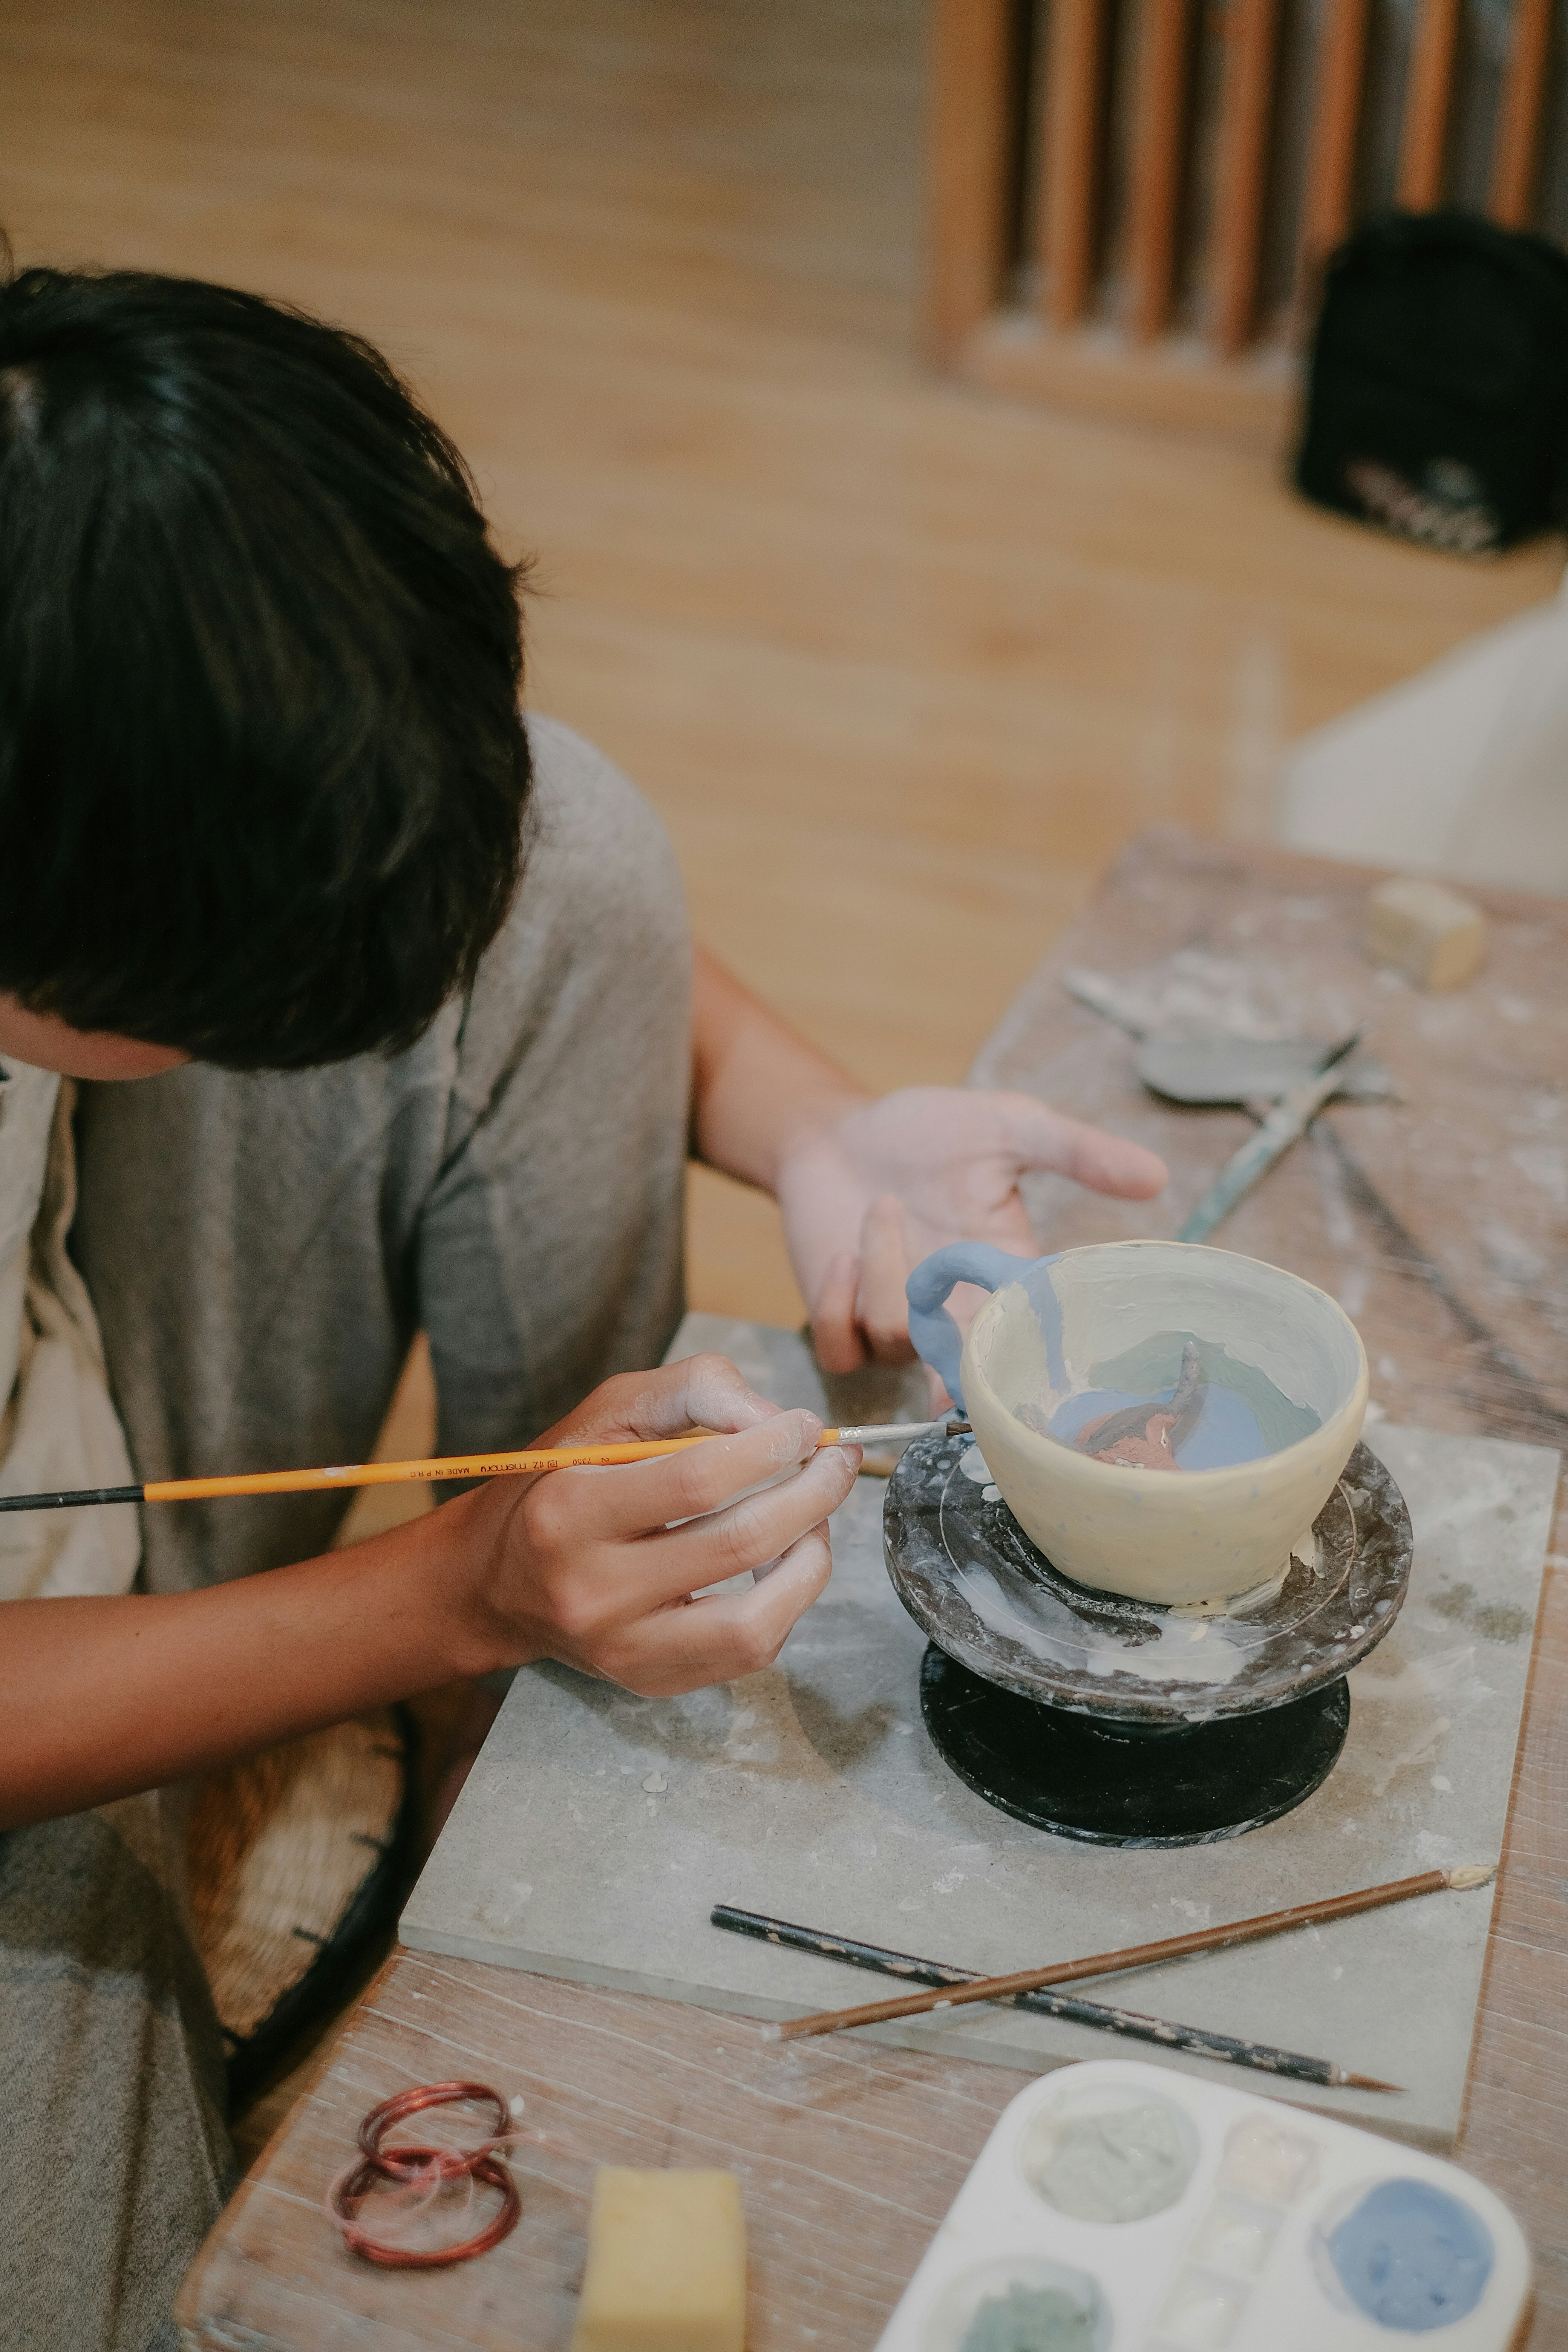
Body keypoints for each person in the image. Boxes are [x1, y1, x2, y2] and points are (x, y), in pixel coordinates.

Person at [0, 257, 1165, 2351]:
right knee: (126, 2287)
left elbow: (465, 855)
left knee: (566, 847)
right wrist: (443, 1589)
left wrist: (816, 1130)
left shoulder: (53, 504)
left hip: (82, 1359)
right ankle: (508, 1646)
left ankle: (515, 1741)